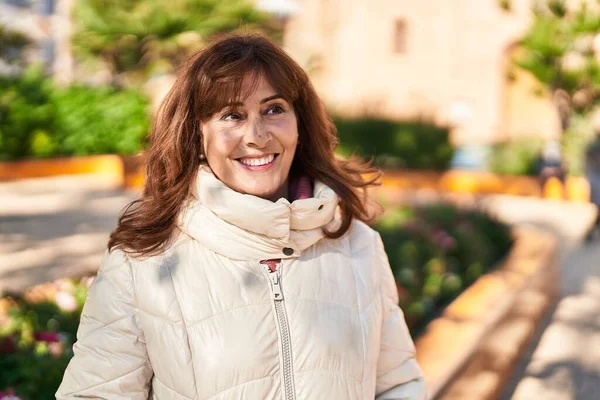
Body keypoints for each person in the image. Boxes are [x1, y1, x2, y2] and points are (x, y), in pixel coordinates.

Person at [55, 34, 426, 400]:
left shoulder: (358, 245)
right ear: (195, 133)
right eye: (231, 115)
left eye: (274, 109)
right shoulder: (143, 262)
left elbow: (397, 385)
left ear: (300, 123)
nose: (257, 135)